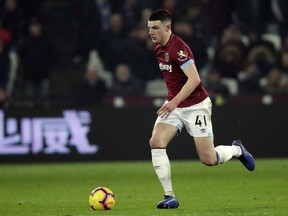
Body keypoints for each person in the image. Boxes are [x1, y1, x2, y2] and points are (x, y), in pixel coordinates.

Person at [147, 9, 255, 209]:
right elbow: (173, 79)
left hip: (196, 105)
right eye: (149, 28)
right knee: (156, 141)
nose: (151, 32)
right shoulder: (158, 48)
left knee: (209, 159)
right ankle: (170, 196)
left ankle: (237, 149)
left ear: (167, 27)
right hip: (175, 105)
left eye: (155, 28)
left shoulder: (179, 48)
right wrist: (171, 102)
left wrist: (173, 101)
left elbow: (195, 79)